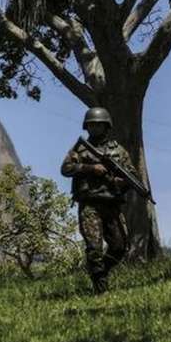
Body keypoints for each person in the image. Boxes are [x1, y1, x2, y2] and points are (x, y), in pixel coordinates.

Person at [61, 107, 137, 294]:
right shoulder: (80, 149)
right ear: (86, 127)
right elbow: (66, 169)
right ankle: (100, 289)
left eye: (98, 125)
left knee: (120, 247)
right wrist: (90, 168)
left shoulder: (118, 151)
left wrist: (121, 182)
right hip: (90, 204)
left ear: (106, 126)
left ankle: (100, 272)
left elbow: (132, 175)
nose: (95, 128)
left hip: (112, 203)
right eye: (91, 125)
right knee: (94, 247)